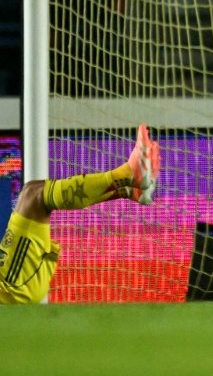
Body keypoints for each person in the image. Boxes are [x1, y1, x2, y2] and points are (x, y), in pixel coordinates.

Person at [0, 125, 160, 304]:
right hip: (10, 288)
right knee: (34, 197)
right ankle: (128, 174)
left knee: (33, 190)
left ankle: (128, 188)